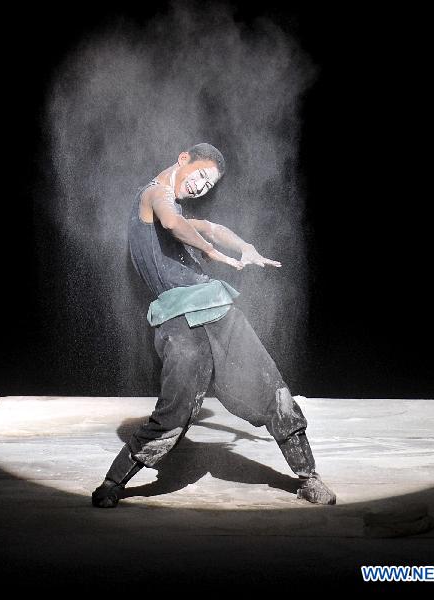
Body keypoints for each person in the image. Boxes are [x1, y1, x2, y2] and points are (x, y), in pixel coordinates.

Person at [92, 143, 336, 507]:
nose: (201, 187)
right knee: (176, 410)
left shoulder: (172, 207)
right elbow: (175, 223)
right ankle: (113, 482)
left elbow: (210, 226)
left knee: (270, 387)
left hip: (217, 309)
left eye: (209, 185)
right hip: (178, 319)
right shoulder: (154, 195)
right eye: (200, 176)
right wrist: (212, 253)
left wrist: (245, 247)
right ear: (183, 160)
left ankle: (308, 476)